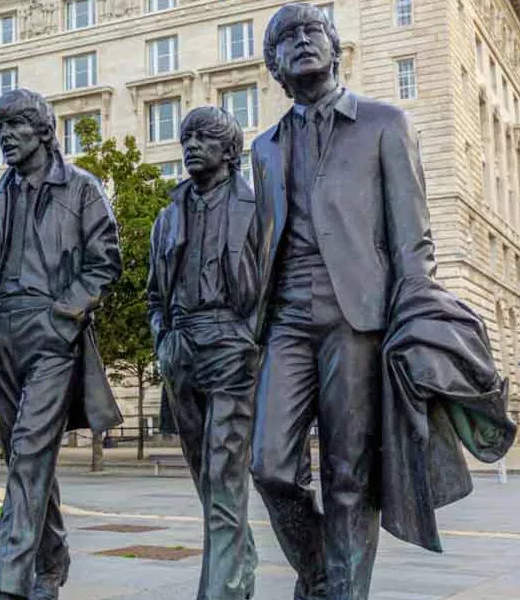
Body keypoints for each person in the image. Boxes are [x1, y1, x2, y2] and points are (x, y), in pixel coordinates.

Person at [248, 4, 437, 599]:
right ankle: (325, 574)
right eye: (288, 39)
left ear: (335, 49)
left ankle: (344, 592)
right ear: (275, 65)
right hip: (286, 319)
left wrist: (416, 317)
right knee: (270, 467)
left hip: (358, 317)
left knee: (349, 475)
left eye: (313, 33)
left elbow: (413, 237)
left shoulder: (385, 124)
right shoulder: (266, 146)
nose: (303, 43)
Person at [0, 88, 122, 600]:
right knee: (23, 456)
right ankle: (52, 555)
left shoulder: (82, 189)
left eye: (14, 126)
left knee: (31, 452)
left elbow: (105, 263)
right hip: (1, 339)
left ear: (43, 130)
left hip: (53, 333)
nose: (5, 138)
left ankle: (8, 583)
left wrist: (66, 316)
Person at [147, 106, 261, 600]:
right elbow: (155, 293)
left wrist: (249, 336)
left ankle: (223, 591)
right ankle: (237, 565)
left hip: (233, 346)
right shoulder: (168, 215)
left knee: (223, 472)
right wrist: (162, 338)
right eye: (187, 137)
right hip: (181, 349)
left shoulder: (256, 208)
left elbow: (274, 285)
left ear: (231, 152)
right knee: (206, 479)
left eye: (206, 137)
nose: (192, 145)